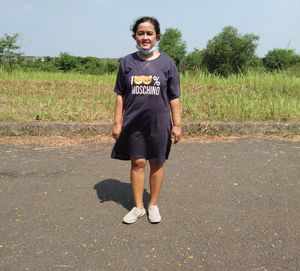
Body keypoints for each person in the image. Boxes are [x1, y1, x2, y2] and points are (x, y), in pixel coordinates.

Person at [111, 16, 182, 224]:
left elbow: (174, 97)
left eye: (149, 33)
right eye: (140, 33)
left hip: (159, 123)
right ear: (134, 37)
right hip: (133, 123)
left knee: (157, 162)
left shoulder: (167, 63)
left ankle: (152, 204)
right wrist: (117, 122)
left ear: (156, 37)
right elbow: (120, 95)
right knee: (138, 162)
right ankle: (138, 206)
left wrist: (177, 125)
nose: (145, 37)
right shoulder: (127, 62)